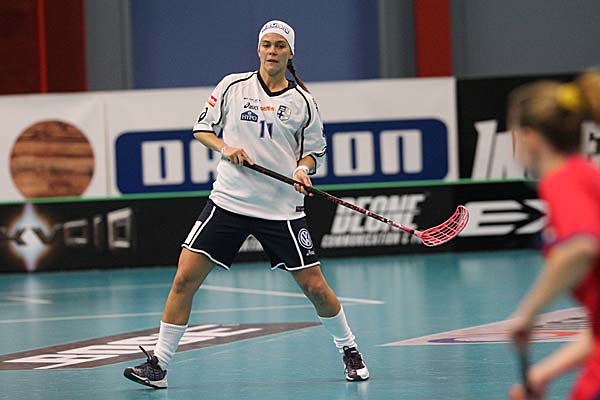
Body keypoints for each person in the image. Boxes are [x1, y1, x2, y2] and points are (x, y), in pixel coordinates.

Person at [123, 20, 369, 389]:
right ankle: (159, 365)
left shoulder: (303, 102)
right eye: (267, 45)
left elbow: (315, 152)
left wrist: (302, 170)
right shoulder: (232, 86)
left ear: (290, 53)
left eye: (280, 46)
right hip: (229, 201)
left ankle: (349, 348)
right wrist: (226, 148)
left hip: (280, 209)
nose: (272, 51)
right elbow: (202, 129)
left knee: (316, 288)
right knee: (184, 279)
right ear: (258, 49)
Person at [507, 70, 600, 400]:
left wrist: (528, 313)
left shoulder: (563, 180)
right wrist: (543, 373)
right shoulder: (585, 175)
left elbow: (580, 247)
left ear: (530, 137)